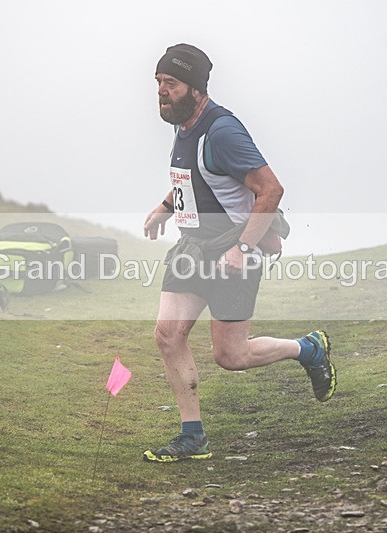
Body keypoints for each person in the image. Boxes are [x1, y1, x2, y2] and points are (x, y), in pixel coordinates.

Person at [142, 44, 336, 463]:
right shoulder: (183, 125)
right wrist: (165, 207)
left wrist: (242, 247)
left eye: (171, 83)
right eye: (158, 82)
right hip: (193, 249)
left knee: (231, 355)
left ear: (196, 89)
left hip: (233, 253)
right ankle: (192, 437)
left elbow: (271, 190)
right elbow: (197, 178)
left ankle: (307, 348)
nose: (161, 91)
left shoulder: (222, 132)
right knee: (167, 335)